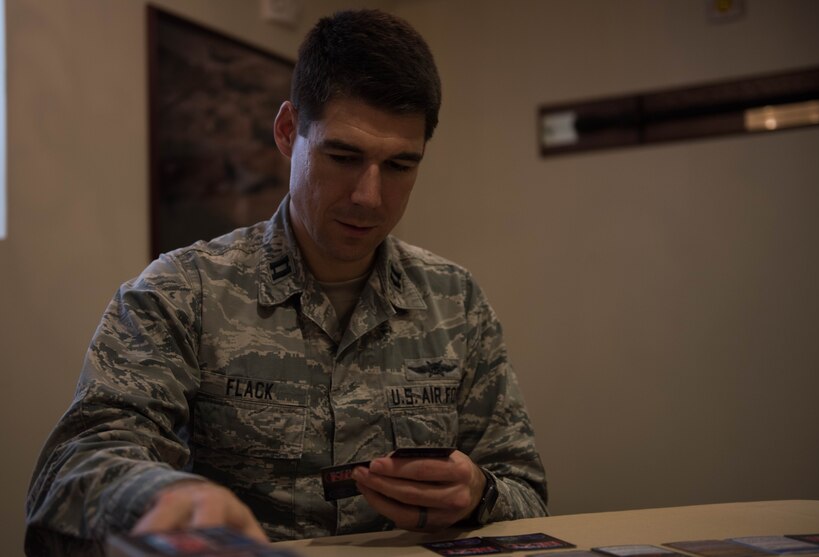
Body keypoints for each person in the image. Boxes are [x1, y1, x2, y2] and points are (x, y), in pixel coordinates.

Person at [25, 9, 548, 556]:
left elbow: (528, 493)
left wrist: (479, 494)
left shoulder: (455, 303)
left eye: (399, 166)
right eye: (343, 157)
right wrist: (162, 497)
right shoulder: (182, 294)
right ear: (287, 131)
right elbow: (72, 469)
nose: (370, 196)